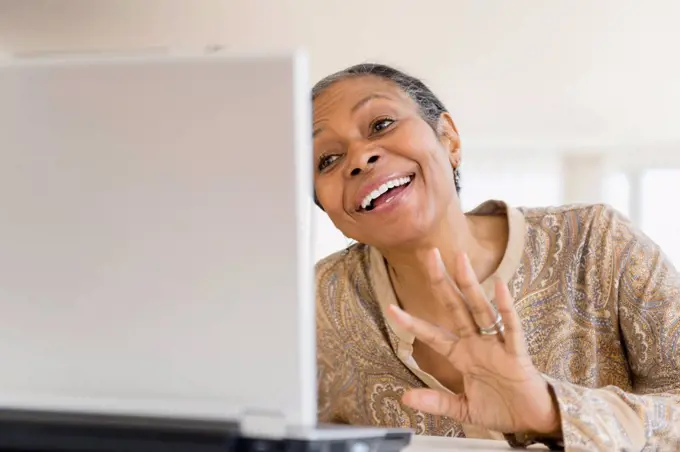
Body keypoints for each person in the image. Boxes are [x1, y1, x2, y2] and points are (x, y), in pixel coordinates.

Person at [312, 63, 680, 451]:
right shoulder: (315, 307)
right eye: (327, 160)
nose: (359, 157)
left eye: (381, 124)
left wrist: (551, 413)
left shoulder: (597, 242)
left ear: (449, 139)